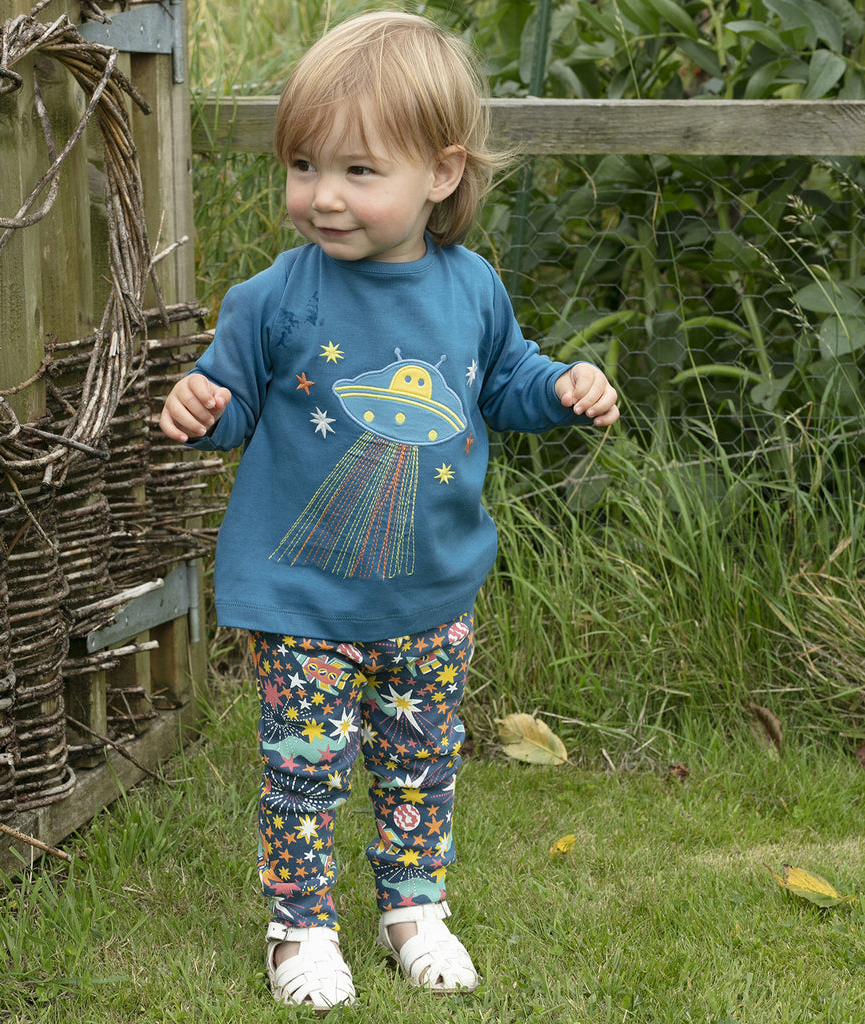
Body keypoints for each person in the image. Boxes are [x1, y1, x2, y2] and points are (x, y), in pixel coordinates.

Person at [160, 10, 620, 1013]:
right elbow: (232, 407)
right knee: (305, 769)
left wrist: (562, 386)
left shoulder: (472, 289)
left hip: (431, 594)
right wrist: (202, 407)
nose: (322, 195)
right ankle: (301, 925)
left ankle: (413, 908)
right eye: (303, 165)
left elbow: (503, 383)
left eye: (358, 171)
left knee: (420, 762)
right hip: (301, 597)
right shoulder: (275, 297)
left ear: (441, 173)